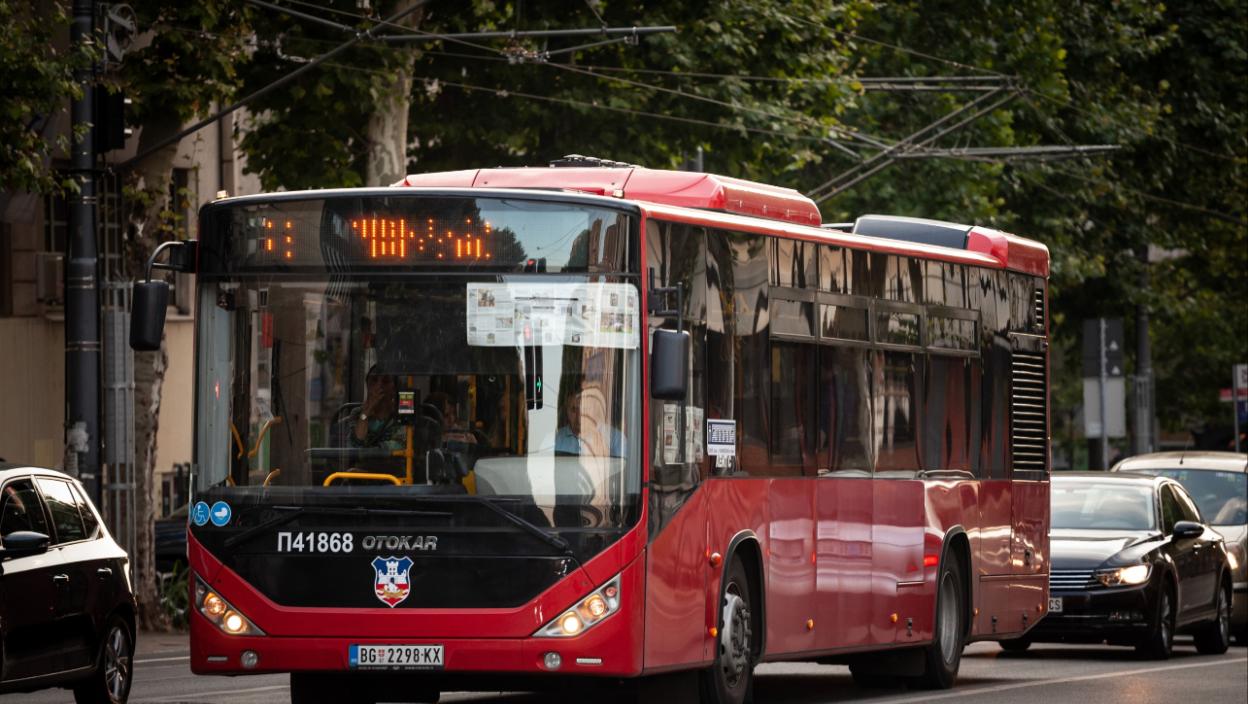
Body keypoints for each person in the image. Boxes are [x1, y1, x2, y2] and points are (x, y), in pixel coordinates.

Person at [555, 381, 626, 457]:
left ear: (594, 410)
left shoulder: (617, 440)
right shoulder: (554, 440)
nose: (579, 418)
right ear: (566, 411)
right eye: (573, 410)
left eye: (585, 409)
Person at [350, 366, 404, 450]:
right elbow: (356, 443)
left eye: (385, 381)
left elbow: (398, 445)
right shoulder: (357, 413)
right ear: (367, 385)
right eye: (374, 380)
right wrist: (366, 412)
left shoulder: (401, 415)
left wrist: (367, 452)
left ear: (394, 389)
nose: (379, 386)